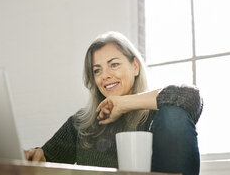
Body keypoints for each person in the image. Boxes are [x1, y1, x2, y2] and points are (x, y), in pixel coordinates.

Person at [25, 31, 203, 175]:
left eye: (114, 65)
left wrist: (123, 103)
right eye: (97, 70)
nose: (105, 75)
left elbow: (190, 96)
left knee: (173, 113)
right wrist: (35, 156)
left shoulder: (156, 114)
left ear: (135, 66)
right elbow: (45, 158)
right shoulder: (81, 123)